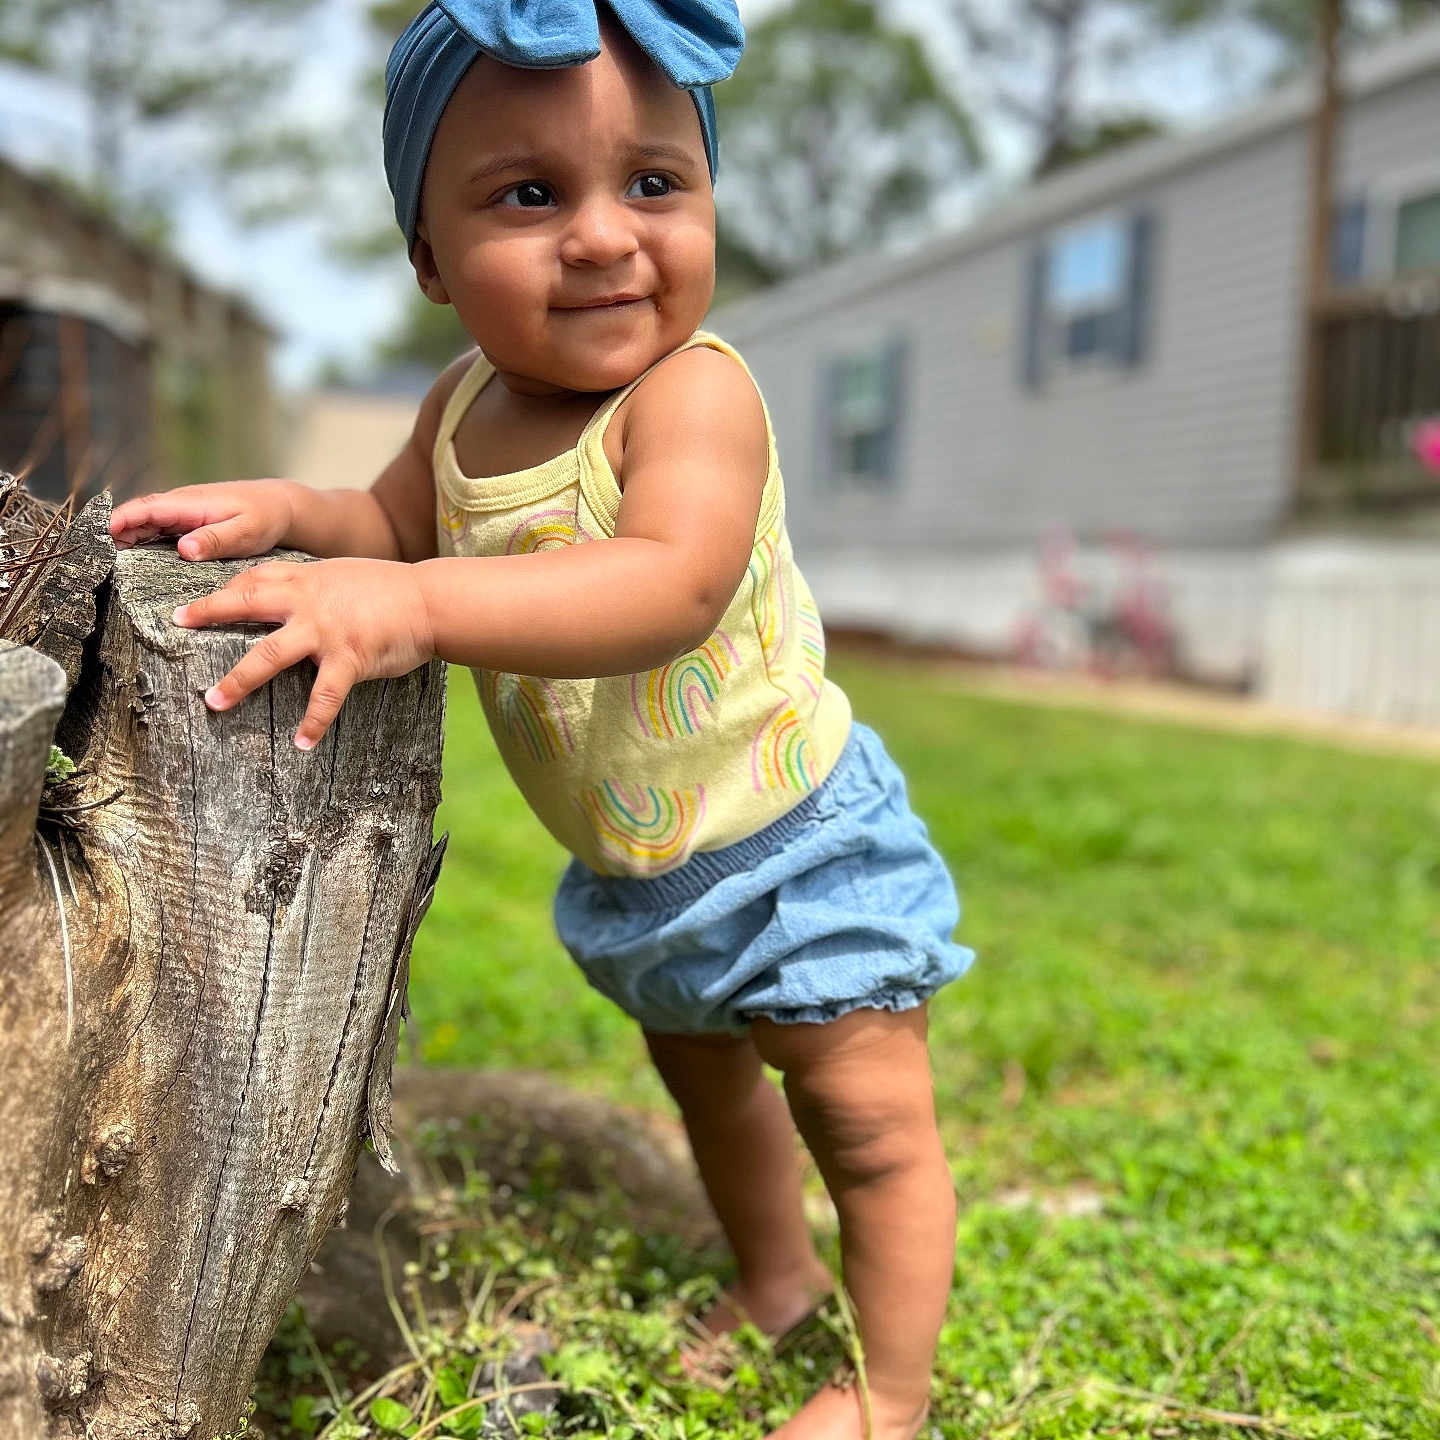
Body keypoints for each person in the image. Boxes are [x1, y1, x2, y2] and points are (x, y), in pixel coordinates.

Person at [108, 3, 974, 1434]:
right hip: (648, 873)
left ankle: (890, 1394)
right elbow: (392, 523)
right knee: (717, 1099)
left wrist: (418, 607)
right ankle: (777, 1278)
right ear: (430, 258)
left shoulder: (693, 398)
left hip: (796, 844)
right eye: (529, 195)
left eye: (654, 182)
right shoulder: (459, 408)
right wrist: (293, 512)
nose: (602, 236)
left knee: (868, 1125)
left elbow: (668, 585)